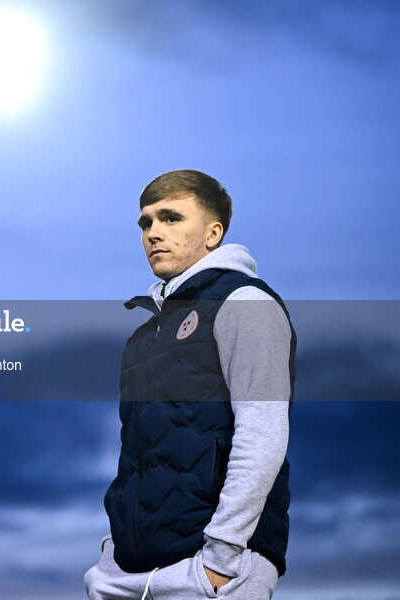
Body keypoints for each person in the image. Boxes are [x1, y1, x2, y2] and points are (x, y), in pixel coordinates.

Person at [84, 170, 296, 600]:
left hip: (211, 570)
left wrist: (221, 558)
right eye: (146, 223)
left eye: (171, 218)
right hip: (130, 573)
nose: (153, 233)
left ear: (213, 232)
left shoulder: (246, 304)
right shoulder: (146, 334)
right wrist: (113, 556)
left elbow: (263, 434)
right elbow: (140, 456)